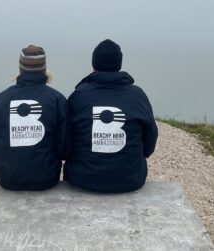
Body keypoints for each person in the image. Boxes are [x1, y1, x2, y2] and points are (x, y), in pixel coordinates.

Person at [64, 39, 158, 193]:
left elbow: (66, 143)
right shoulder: (138, 95)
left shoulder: (78, 96)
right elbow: (149, 143)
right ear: (119, 64)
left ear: (94, 64)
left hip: (82, 178)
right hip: (130, 179)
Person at [0, 45, 70, 191]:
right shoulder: (57, 100)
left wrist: (8, 150)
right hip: (46, 178)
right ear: (44, 68)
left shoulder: (0, 99)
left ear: (20, 68)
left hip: (6, 179)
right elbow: (64, 148)